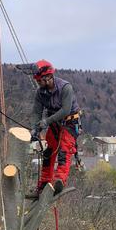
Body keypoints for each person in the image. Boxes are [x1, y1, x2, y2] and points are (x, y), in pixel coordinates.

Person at [23, 59, 81, 197]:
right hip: (54, 124)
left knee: (64, 151)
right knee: (48, 153)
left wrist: (46, 122)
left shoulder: (65, 88)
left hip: (69, 123)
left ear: (48, 77)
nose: (38, 83)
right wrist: (34, 129)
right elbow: (36, 112)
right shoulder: (40, 93)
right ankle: (43, 185)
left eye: (39, 80)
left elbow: (66, 110)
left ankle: (59, 181)